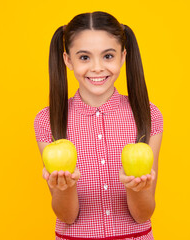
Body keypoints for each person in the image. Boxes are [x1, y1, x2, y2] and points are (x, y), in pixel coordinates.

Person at [34, 11, 163, 240]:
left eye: (108, 56)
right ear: (68, 60)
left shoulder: (148, 115)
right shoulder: (47, 120)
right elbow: (67, 216)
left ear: (123, 57)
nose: (97, 68)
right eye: (84, 57)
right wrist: (65, 187)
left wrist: (136, 187)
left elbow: (143, 214)